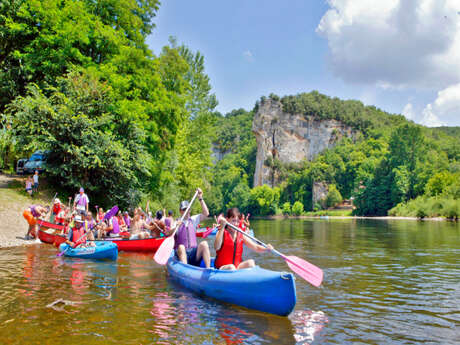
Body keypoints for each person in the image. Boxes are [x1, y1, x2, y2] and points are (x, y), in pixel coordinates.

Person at [175, 188, 211, 268]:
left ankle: (208, 270)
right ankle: (185, 270)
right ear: (180, 211)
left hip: (194, 254)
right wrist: (175, 228)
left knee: (204, 244)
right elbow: (168, 233)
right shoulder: (176, 222)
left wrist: (200, 198)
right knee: (181, 247)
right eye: (184, 209)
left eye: (188, 209)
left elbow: (206, 213)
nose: (186, 211)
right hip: (183, 254)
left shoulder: (194, 219)